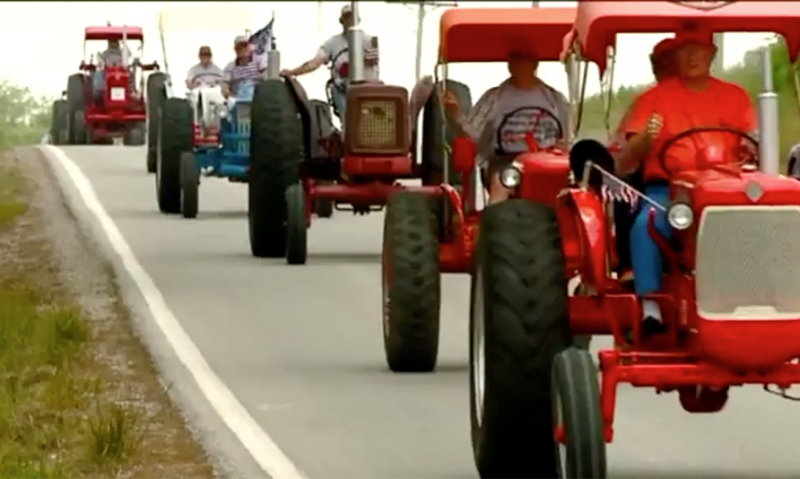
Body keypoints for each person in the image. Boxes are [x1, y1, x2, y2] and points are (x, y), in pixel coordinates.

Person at [616, 30, 756, 334]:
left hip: (726, 191)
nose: (692, 57)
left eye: (699, 49)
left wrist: (750, 150)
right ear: (675, 57)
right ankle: (650, 303)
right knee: (646, 224)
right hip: (671, 191)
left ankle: (759, 300)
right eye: (685, 50)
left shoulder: (735, 97)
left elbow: (751, 142)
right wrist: (647, 138)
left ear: (712, 53)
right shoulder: (653, 99)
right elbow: (628, 157)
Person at [442, 51, 570, 205]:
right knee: (501, 181)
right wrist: (456, 116)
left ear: (535, 64)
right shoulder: (495, 97)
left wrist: (563, 146)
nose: (516, 65)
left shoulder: (555, 99)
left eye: (523, 60)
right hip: (506, 160)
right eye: (513, 61)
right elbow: (472, 135)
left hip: (547, 159)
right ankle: (496, 216)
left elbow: (567, 138)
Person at [610, 37, 678, 282]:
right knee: (625, 192)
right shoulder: (647, 101)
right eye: (661, 63)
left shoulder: (711, 98)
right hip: (650, 176)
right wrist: (645, 138)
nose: (666, 68)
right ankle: (629, 264)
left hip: (697, 179)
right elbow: (624, 149)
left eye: (671, 62)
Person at [279, 4, 379, 123]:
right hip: (342, 91)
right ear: (341, 21)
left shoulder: (370, 41)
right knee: (345, 115)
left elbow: (372, 65)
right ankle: (345, 129)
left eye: (353, 17)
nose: (350, 21)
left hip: (366, 91)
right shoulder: (332, 43)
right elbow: (314, 63)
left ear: (358, 20)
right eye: (347, 18)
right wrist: (292, 72)